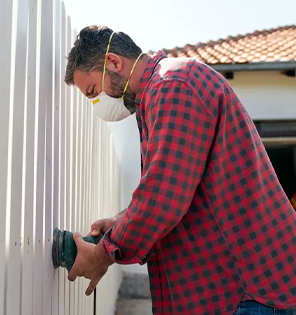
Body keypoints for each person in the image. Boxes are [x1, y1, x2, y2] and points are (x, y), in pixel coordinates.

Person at [64, 25, 296, 315]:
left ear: (113, 62)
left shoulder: (173, 85)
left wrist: (102, 255)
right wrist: (120, 221)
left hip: (247, 292)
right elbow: (179, 187)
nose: (98, 103)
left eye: (94, 91)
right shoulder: (160, 93)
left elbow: (163, 199)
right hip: (236, 293)